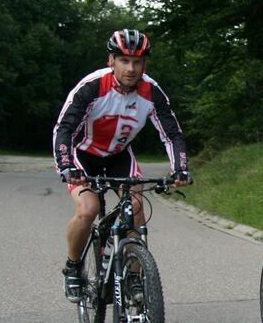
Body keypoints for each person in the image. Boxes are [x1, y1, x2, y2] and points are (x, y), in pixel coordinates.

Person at [52, 29, 192, 303]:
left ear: (144, 65)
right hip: (83, 154)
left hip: (118, 155)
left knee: (136, 206)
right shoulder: (93, 86)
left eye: (137, 62)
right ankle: (72, 267)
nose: (131, 68)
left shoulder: (151, 91)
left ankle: (135, 279)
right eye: (124, 61)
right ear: (111, 61)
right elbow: (65, 129)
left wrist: (180, 169)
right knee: (88, 209)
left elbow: (171, 133)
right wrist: (67, 164)